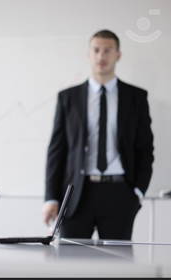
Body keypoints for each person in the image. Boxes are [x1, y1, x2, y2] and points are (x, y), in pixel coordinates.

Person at [43, 29, 154, 240]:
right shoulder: (68, 98)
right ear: (89, 54)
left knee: (118, 268)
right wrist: (51, 198)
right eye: (96, 50)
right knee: (71, 265)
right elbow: (57, 151)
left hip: (120, 193)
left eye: (107, 50)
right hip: (76, 194)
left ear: (118, 55)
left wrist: (138, 192)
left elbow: (145, 149)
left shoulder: (136, 97)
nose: (101, 56)